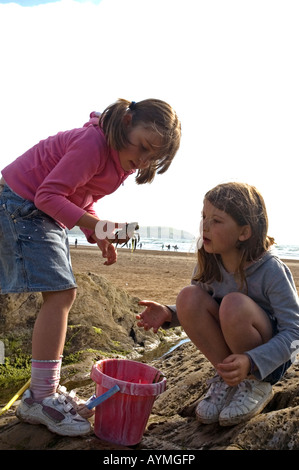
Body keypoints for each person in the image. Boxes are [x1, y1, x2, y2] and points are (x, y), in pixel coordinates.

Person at [0, 98, 181, 436]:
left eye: (151, 158)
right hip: (21, 204)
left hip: (36, 208)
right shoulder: (93, 145)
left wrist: (95, 232)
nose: (142, 160)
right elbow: (48, 196)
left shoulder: (118, 159)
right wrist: (99, 228)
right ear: (127, 121)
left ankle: (42, 393)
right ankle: (40, 397)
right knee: (61, 294)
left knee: (61, 294)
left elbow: (82, 196)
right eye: (142, 147)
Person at [137, 182, 299, 426]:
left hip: (266, 362)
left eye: (217, 220)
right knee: (188, 297)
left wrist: (252, 360)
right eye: (204, 217)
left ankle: (254, 384)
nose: (205, 226)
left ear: (244, 232)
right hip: (234, 352)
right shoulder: (210, 264)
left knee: (233, 304)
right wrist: (169, 314)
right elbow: (202, 308)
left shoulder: (271, 270)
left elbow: (295, 333)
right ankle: (227, 378)